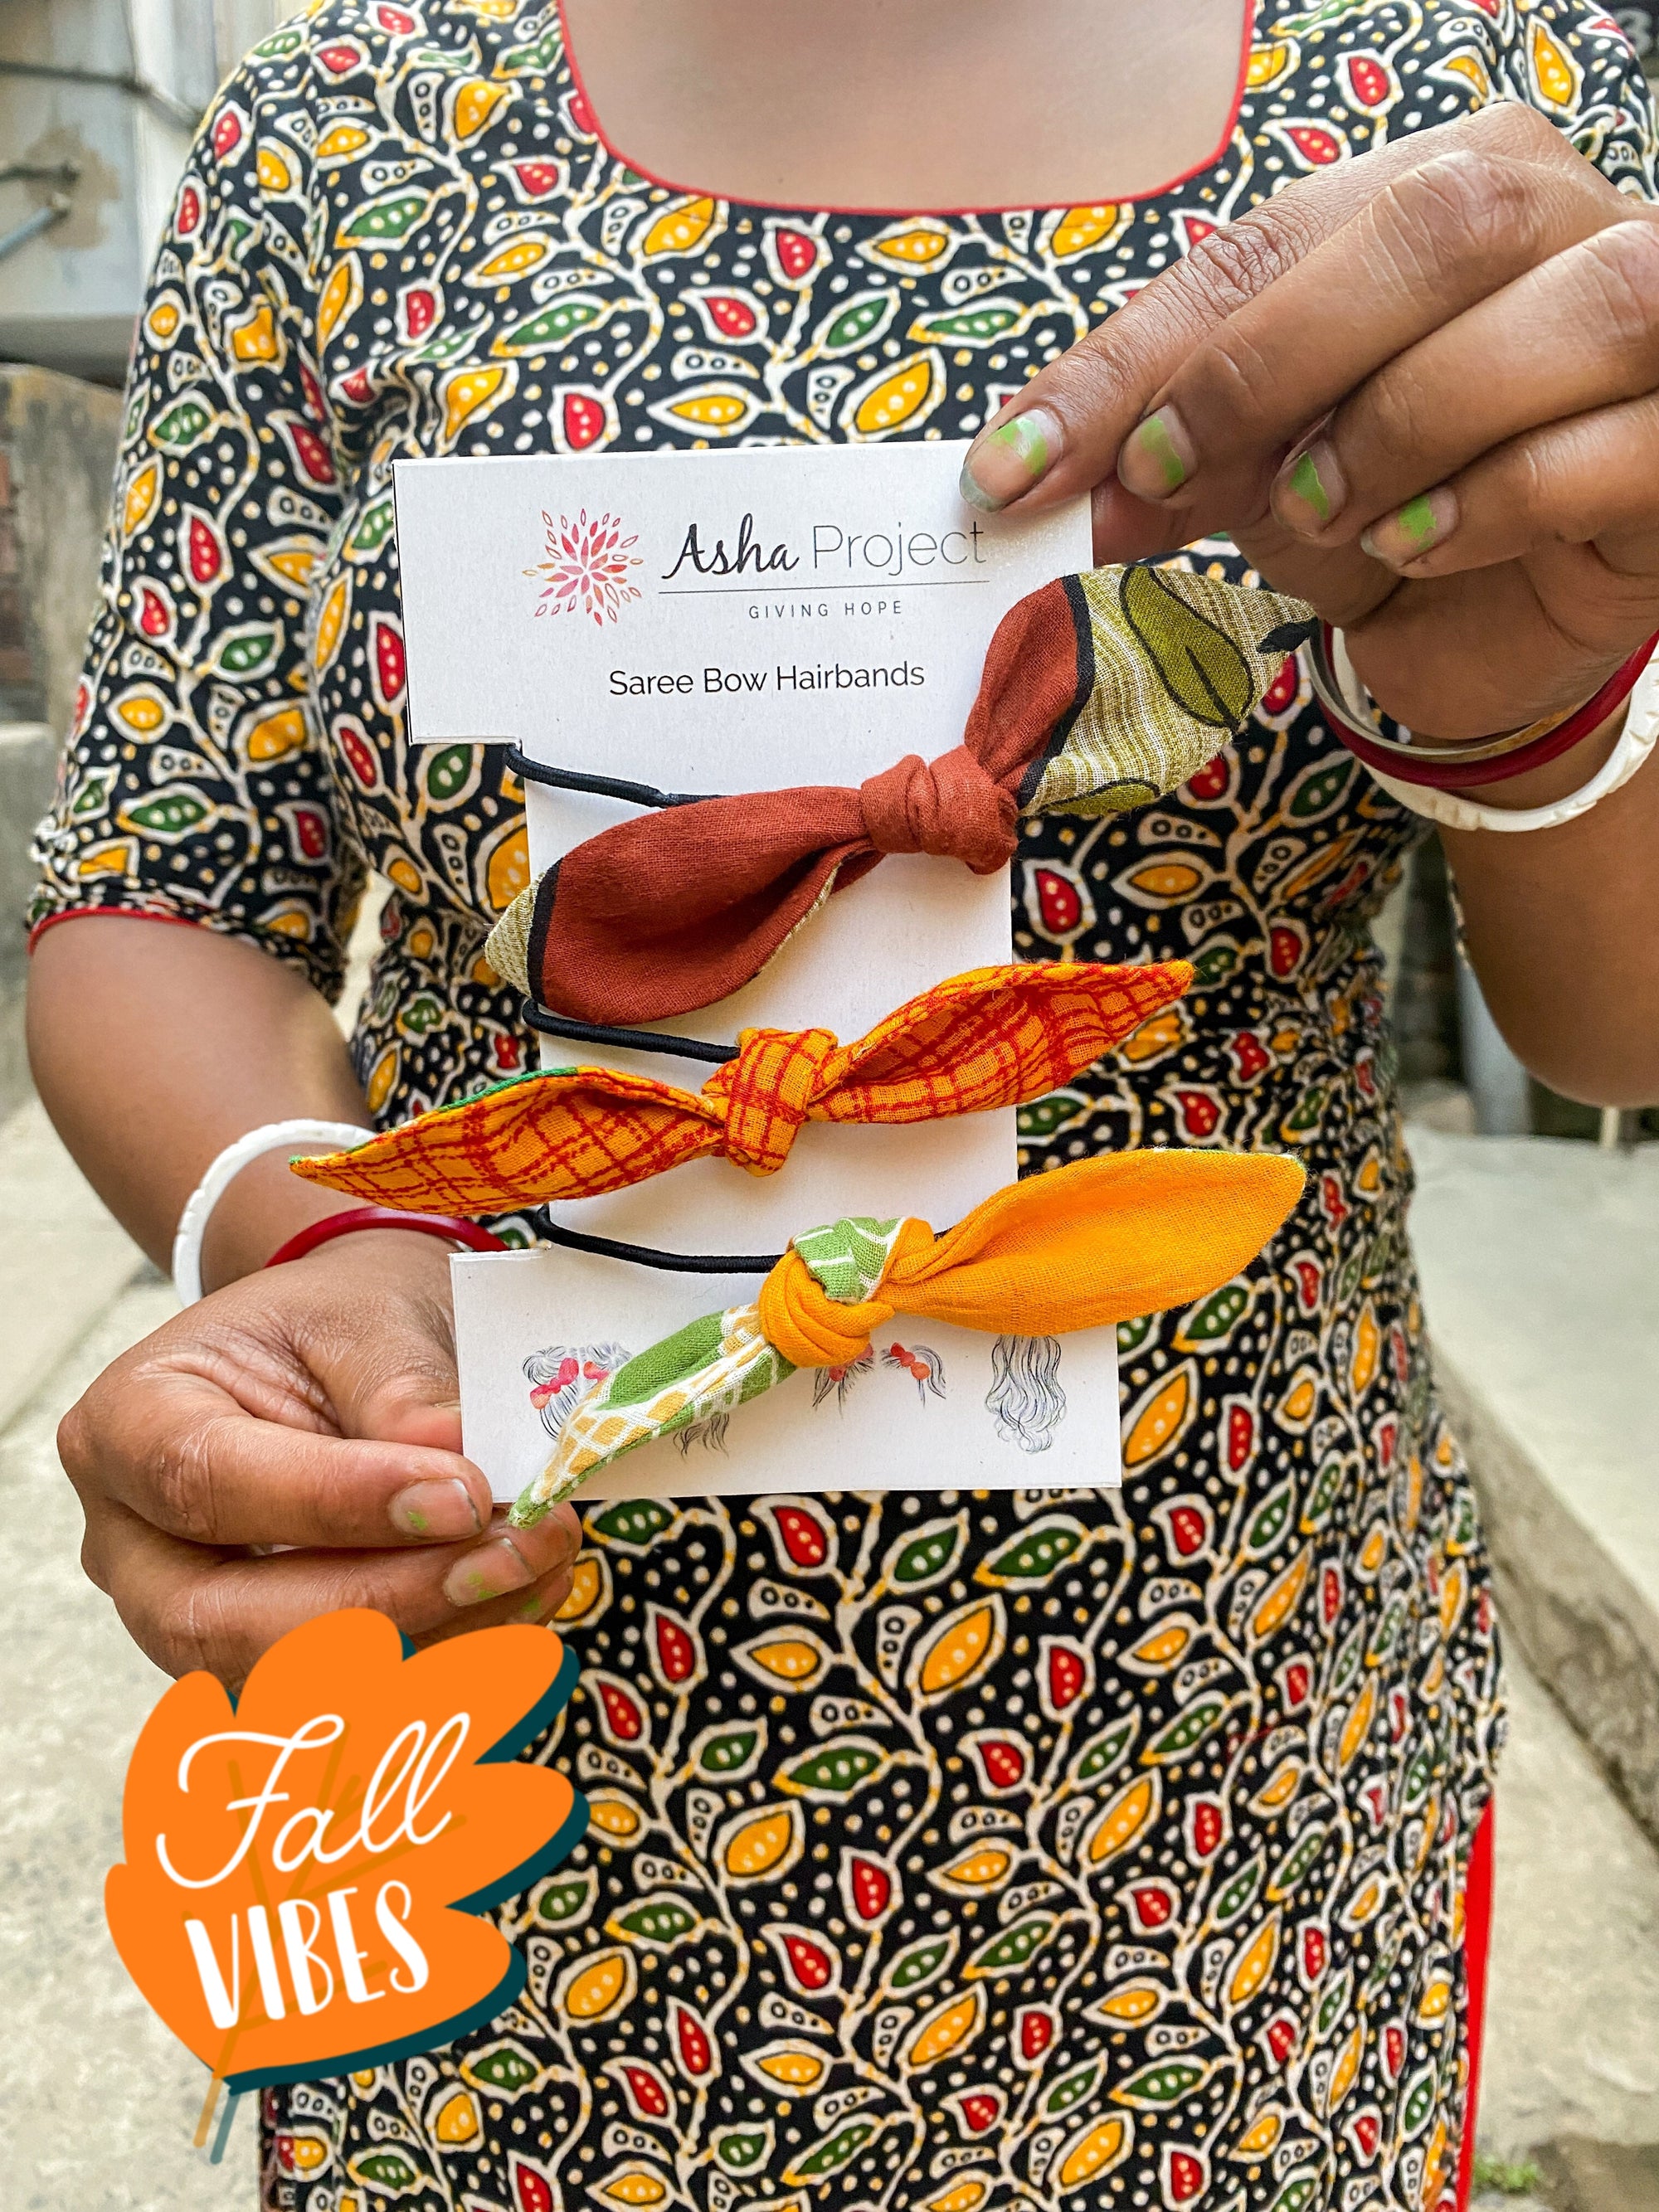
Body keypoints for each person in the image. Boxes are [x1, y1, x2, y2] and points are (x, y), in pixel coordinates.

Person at [27, 2, 1659, 2204]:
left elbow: (1618, 1023)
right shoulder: (349, 119)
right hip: (501, 1749)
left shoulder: (1485, 102)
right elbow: (167, 877)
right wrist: (317, 1249)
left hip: (1237, 1790)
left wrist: (1543, 692)